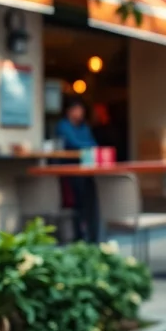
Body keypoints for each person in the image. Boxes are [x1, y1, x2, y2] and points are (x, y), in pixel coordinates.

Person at [56, 98, 98, 242]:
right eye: (78, 110)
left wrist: (85, 146)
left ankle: (91, 234)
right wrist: (86, 146)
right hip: (69, 171)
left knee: (90, 200)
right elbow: (73, 143)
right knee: (76, 203)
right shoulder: (63, 126)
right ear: (70, 111)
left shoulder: (84, 127)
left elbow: (93, 143)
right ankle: (78, 234)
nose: (81, 113)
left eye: (82, 111)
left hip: (87, 168)